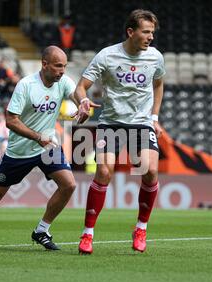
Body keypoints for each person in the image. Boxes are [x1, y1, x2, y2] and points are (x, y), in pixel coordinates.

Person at [0, 46, 78, 250]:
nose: (62, 70)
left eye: (64, 66)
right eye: (58, 66)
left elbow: (76, 94)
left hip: (47, 147)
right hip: (19, 151)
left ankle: (42, 230)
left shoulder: (63, 82)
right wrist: (37, 137)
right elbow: (11, 121)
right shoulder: (26, 85)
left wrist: (82, 102)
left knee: (69, 185)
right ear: (44, 64)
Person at [74, 9, 165, 254]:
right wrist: (82, 101)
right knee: (103, 172)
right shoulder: (107, 56)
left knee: (151, 170)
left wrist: (154, 116)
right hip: (111, 123)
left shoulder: (155, 57)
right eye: (146, 32)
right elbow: (80, 87)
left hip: (142, 123)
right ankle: (87, 234)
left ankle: (141, 228)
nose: (150, 37)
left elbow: (158, 84)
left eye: (152, 33)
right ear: (130, 32)